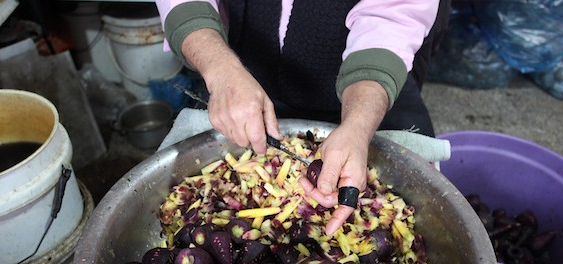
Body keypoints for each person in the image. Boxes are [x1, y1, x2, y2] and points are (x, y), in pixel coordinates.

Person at [155, 0, 451, 236]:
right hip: (241, 74)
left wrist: (359, 124)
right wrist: (219, 68)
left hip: (367, 82)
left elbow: (391, 17)